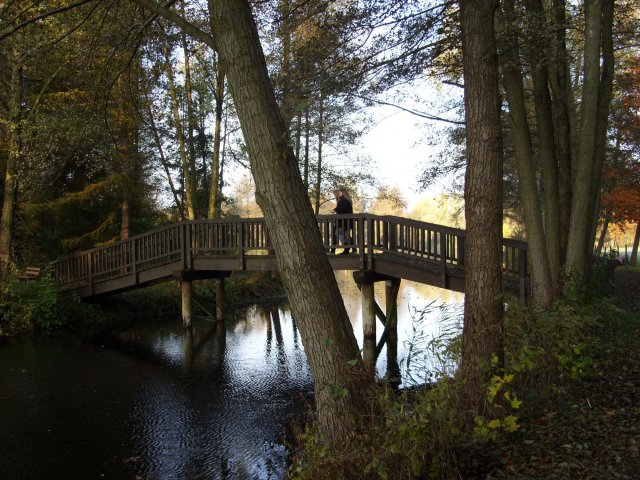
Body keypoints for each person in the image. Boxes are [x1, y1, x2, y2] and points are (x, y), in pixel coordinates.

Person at [332, 188, 353, 254]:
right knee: (345, 234)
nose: (339, 193)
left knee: (338, 233)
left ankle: (346, 247)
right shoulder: (345, 200)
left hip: (344, 221)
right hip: (344, 221)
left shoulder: (344, 200)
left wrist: (335, 210)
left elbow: (342, 208)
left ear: (343, 193)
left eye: (340, 192)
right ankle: (349, 247)